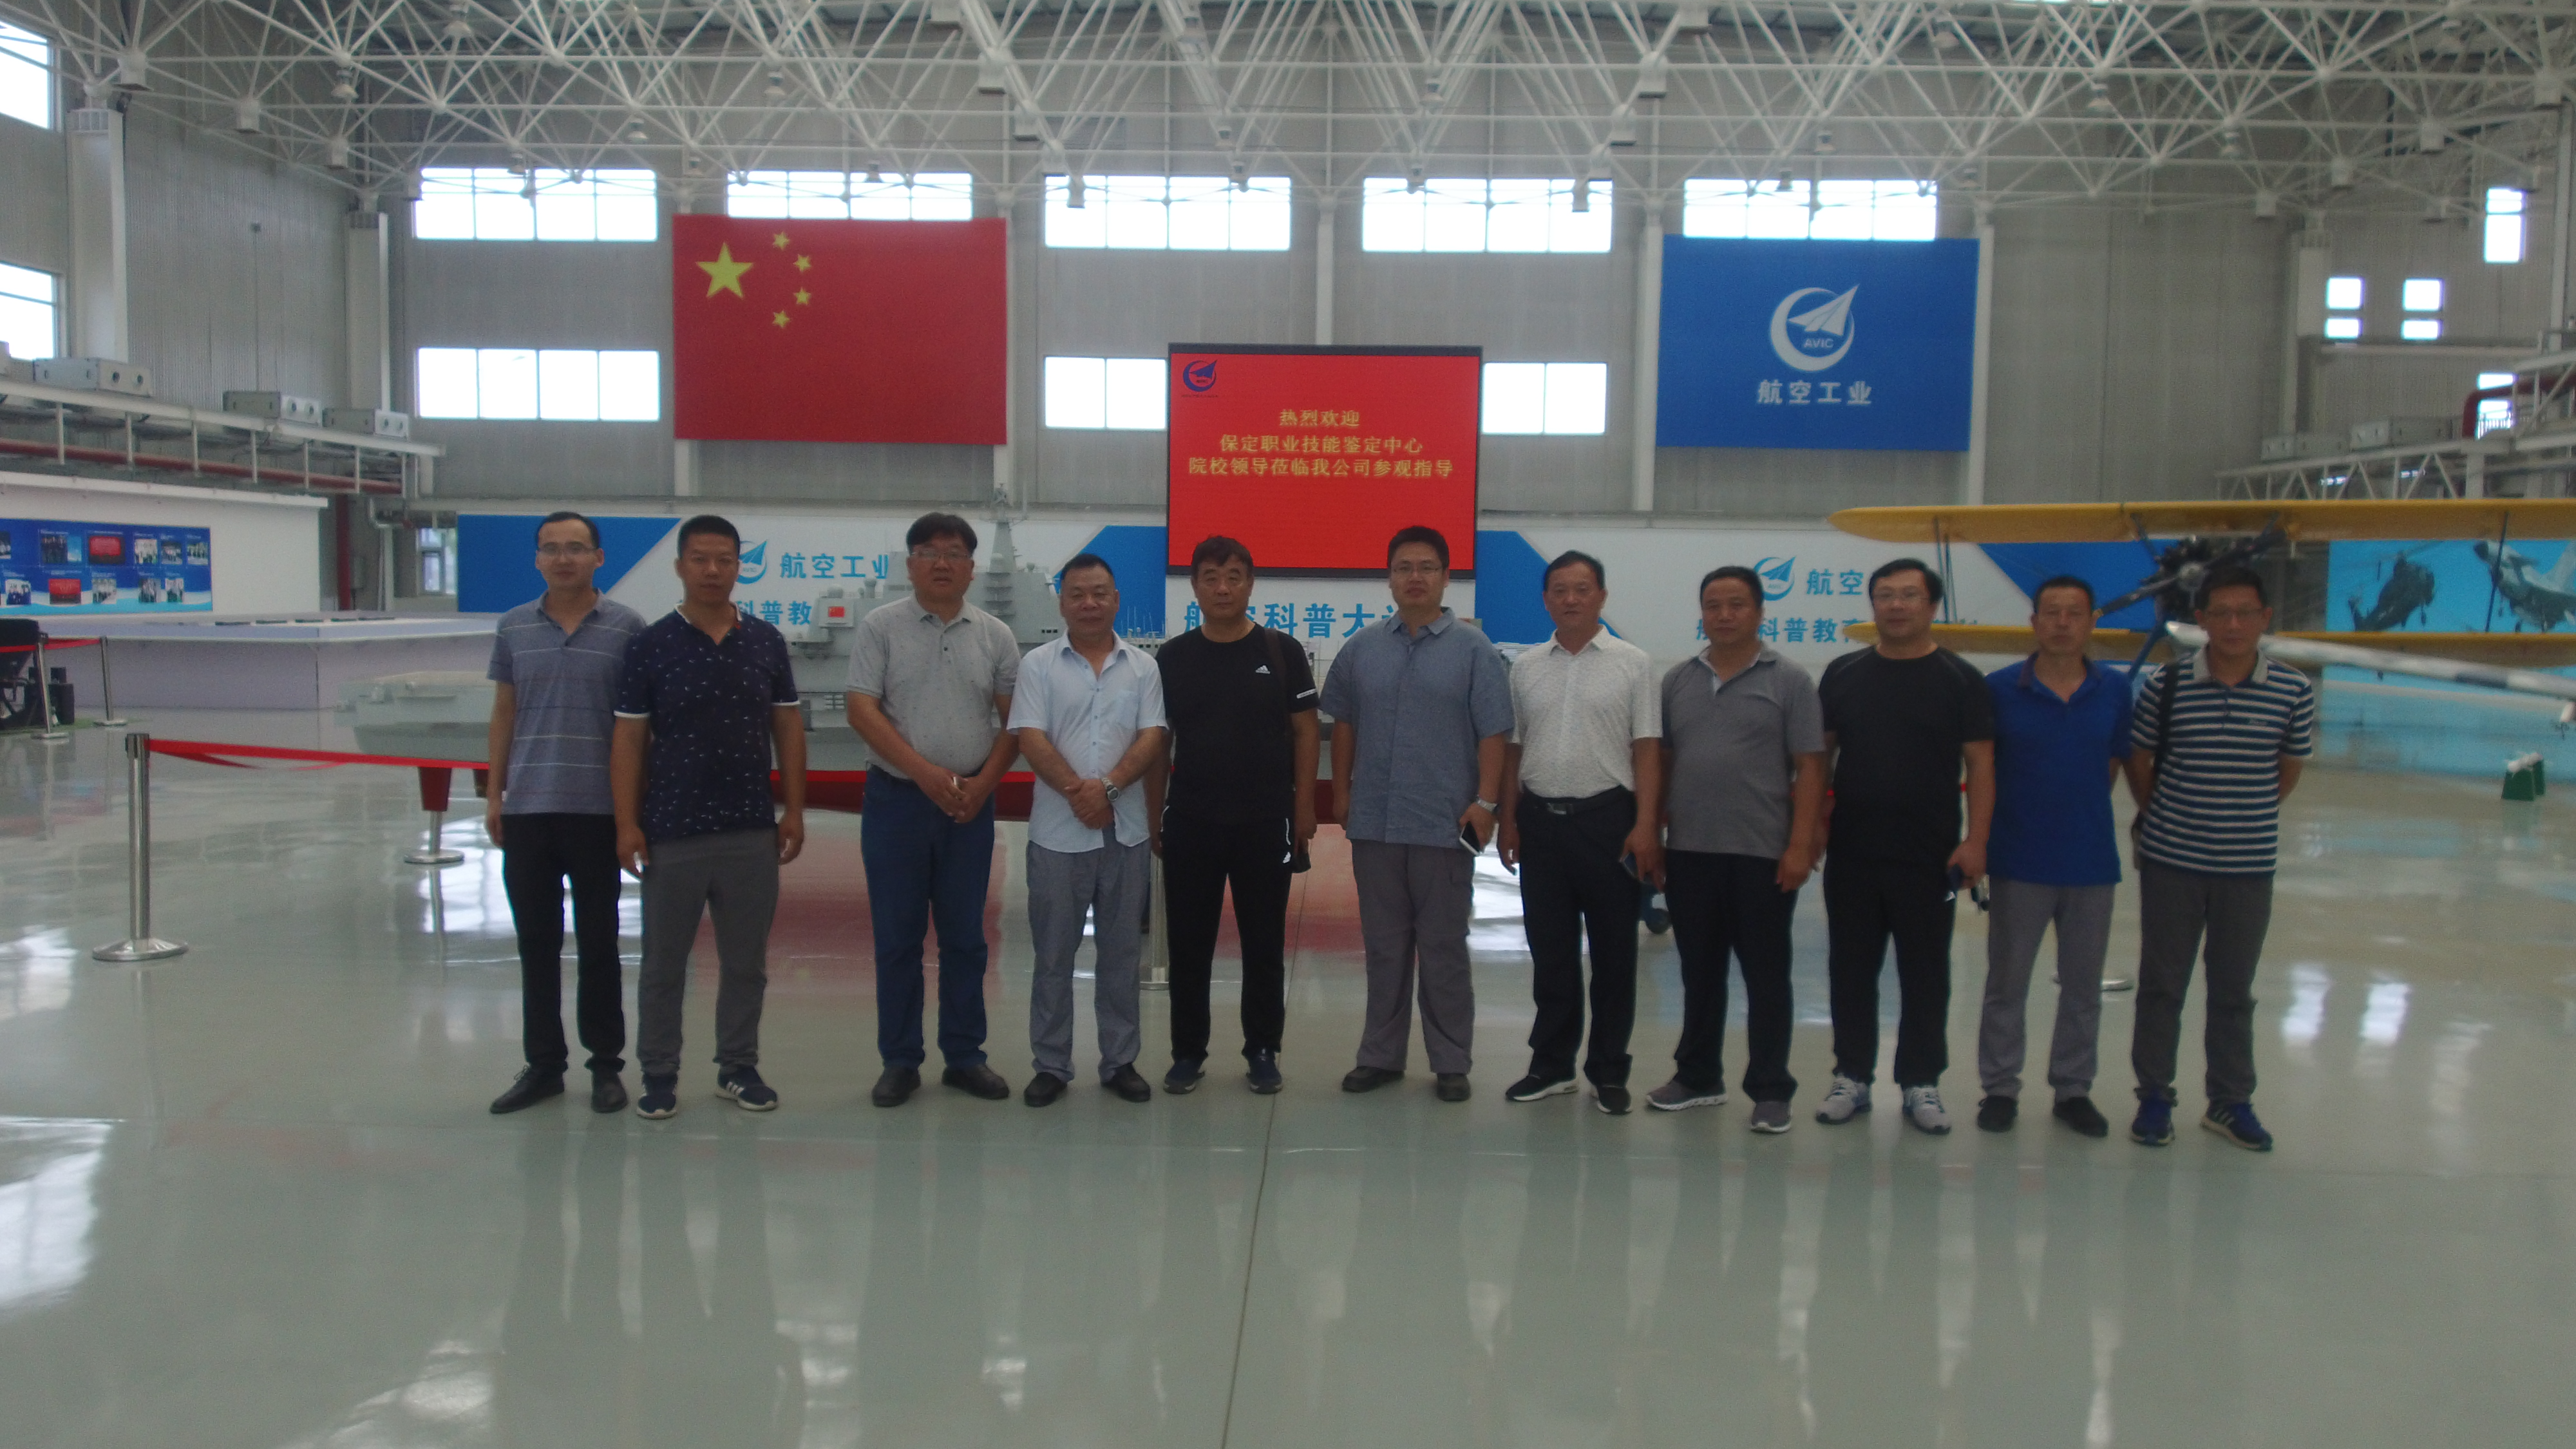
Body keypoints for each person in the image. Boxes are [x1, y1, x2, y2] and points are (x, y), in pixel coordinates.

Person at [610, 515, 807, 1119]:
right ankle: (659, 1072)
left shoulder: (765, 641)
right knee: (664, 966)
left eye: (725, 559)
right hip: (673, 830)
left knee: (745, 964)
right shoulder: (651, 645)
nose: (713, 570)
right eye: (700, 559)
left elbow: (787, 728)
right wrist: (627, 823)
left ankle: (738, 1067)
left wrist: (794, 809)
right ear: (680, 566)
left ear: (739, 566)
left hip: (750, 829)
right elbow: (629, 740)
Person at [2123, 564, 2314, 1151]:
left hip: (2248, 868)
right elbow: (2139, 760)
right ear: (2201, 619)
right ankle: (2155, 1096)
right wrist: (2170, 815)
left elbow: (2287, 772)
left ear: (2264, 618)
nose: (2233, 625)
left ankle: (2230, 1100)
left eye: (2245, 613)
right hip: (2172, 862)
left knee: (2234, 989)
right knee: (2162, 985)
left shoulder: (2293, 690)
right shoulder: (2168, 684)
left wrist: (2239, 815)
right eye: (2221, 613)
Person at [1320, 525, 1513, 1103]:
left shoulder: (1474, 650)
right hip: (1377, 823)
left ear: (1446, 577)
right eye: (1404, 567)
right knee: (1384, 948)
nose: (1415, 577)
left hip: (1444, 824)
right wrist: (1342, 793)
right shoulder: (1362, 648)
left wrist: (1486, 803)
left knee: (1444, 947)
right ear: (1389, 578)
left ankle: (1451, 1061)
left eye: (1427, 567)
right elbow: (1344, 722)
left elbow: (1495, 732)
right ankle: (1380, 1057)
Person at [846, 511, 1021, 1108]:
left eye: (953, 553)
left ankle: (965, 1056)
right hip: (896, 802)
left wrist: (982, 786)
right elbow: (862, 710)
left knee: (965, 938)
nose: (941, 563)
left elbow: (1015, 723)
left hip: (968, 808)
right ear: (910, 564)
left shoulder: (996, 636)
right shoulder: (880, 628)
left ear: (972, 568)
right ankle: (900, 1061)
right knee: (898, 939)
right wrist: (925, 774)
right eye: (928, 552)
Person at [1815, 558, 1994, 1134]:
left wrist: (1976, 841)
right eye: (1885, 595)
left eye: (1909, 595)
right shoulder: (1843, 674)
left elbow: (1981, 765)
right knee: (1851, 969)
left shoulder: (1961, 680)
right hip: (1853, 853)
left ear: (1932, 606)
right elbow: (1819, 759)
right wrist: (1810, 828)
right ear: (1872, 605)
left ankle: (1921, 1081)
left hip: (1929, 858)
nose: (1896, 605)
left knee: (1926, 972)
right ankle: (1852, 1075)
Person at [1649, 565, 1826, 1132]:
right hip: (1691, 852)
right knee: (1699, 974)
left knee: (1766, 977)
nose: (1724, 615)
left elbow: (1811, 767)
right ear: (1702, 612)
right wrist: (1654, 835)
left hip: (1761, 855)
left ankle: (1771, 1089)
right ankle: (1698, 1077)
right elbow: (1663, 763)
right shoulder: (1678, 681)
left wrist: (1800, 845)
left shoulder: (1790, 680)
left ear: (1759, 612)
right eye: (1713, 605)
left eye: (1737, 605)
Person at [483, 511, 649, 1115]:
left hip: (599, 811)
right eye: (551, 548)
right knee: (537, 945)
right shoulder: (513, 626)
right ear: (537, 559)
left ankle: (606, 1067)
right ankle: (544, 1066)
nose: (563, 558)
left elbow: (639, 726)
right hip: (529, 808)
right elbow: (505, 711)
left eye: (576, 548)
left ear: (598, 558)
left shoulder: (628, 628)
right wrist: (495, 794)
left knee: (600, 944)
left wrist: (633, 813)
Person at [1149, 535, 1318, 1095]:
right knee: (1189, 944)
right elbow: (1159, 741)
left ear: (1250, 584)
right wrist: (1154, 814)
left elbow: (1305, 732)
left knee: (1264, 944)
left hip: (1265, 822)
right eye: (1211, 577)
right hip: (1192, 819)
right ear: (1195, 586)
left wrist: (1304, 809)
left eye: (1234, 576)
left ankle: (1263, 1050)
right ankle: (1187, 1052)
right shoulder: (1172, 658)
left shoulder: (1281, 650)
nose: (1223, 588)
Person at [1497, 551, 1661, 1115]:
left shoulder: (1633, 664)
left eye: (1583, 589)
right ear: (1546, 599)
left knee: (1615, 955)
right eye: (1560, 590)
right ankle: (1551, 1065)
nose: (1571, 599)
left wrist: (1646, 825)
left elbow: (1647, 749)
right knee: (1551, 952)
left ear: (1602, 597)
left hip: (1609, 822)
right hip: (1541, 823)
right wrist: (1509, 819)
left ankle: (1609, 1071)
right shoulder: (1525, 667)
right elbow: (1514, 749)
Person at [1975, 576, 2133, 1139]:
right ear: (2034, 622)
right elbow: (1983, 769)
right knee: (2007, 983)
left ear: (2091, 623)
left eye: (2074, 613)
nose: (2062, 623)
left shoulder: (2115, 690)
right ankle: (2000, 1088)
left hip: (2090, 862)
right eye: (2051, 612)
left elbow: (2113, 764)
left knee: (2083, 987)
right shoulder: (1999, 689)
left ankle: (2073, 1089)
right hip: (2018, 859)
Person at [1008, 553, 1167, 1106]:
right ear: (1062, 603)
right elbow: (1030, 737)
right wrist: (1080, 793)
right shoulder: (1038, 666)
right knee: (1053, 956)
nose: (1090, 603)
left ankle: (1120, 1061)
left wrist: (1110, 790)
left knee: (1121, 957)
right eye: (1078, 594)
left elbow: (1152, 737)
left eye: (1100, 593)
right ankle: (1051, 1065)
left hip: (1126, 834)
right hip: (1057, 836)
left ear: (1116, 600)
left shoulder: (1143, 668)